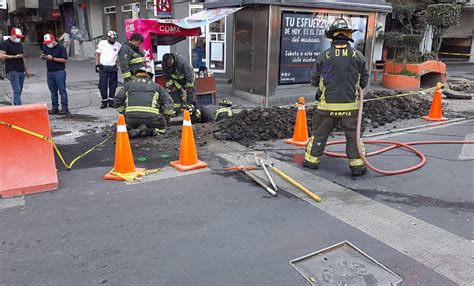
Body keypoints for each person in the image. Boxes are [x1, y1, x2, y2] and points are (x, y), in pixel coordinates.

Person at [304, 18, 369, 176]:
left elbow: (314, 80)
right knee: (354, 137)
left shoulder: (324, 56)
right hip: (351, 108)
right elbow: (364, 80)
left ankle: (311, 162)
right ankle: (357, 167)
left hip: (326, 108)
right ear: (348, 35)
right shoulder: (357, 55)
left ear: (332, 36)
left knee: (319, 134)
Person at [114, 67, 175, 138]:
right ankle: (149, 131)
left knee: (130, 124)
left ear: (136, 75)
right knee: (162, 128)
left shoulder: (127, 86)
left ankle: (132, 129)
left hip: (131, 120)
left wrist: (125, 113)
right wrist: (166, 119)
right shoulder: (157, 87)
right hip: (151, 119)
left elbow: (116, 101)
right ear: (150, 76)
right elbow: (169, 102)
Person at [41, 33, 70, 115]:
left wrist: (53, 58)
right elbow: (45, 54)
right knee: (53, 91)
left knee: (62, 91)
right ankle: (54, 108)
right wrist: (44, 57)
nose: (48, 44)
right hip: (50, 72)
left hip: (59, 72)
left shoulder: (61, 48)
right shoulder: (46, 47)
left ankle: (65, 108)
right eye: (47, 43)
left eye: (49, 42)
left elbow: (64, 60)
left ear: (53, 40)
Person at [0, 28, 30, 105]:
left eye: (19, 37)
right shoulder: (5, 43)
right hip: (12, 70)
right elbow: (1, 56)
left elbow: (22, 57)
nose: (18, 38)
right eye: (17, 36)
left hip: (20, 69)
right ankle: (19, 107)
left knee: (19, 90)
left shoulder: (19, 43)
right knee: (16, 89)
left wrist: (26, 70)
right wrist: (14, 57)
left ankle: (16, 105)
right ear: (12, 35)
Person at [95, 30, 121, 109]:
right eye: (112, 39)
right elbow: (97, 54)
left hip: (113, 68)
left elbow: (122, 54)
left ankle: (111, 101)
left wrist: (118, 60)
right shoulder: (102, 43)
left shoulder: (118, 45)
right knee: (102, 85)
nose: (113, 41)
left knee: (113, 85)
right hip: (103, 68)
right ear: (108, 37)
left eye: (114, 39)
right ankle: (104, 101)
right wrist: (97, 64)